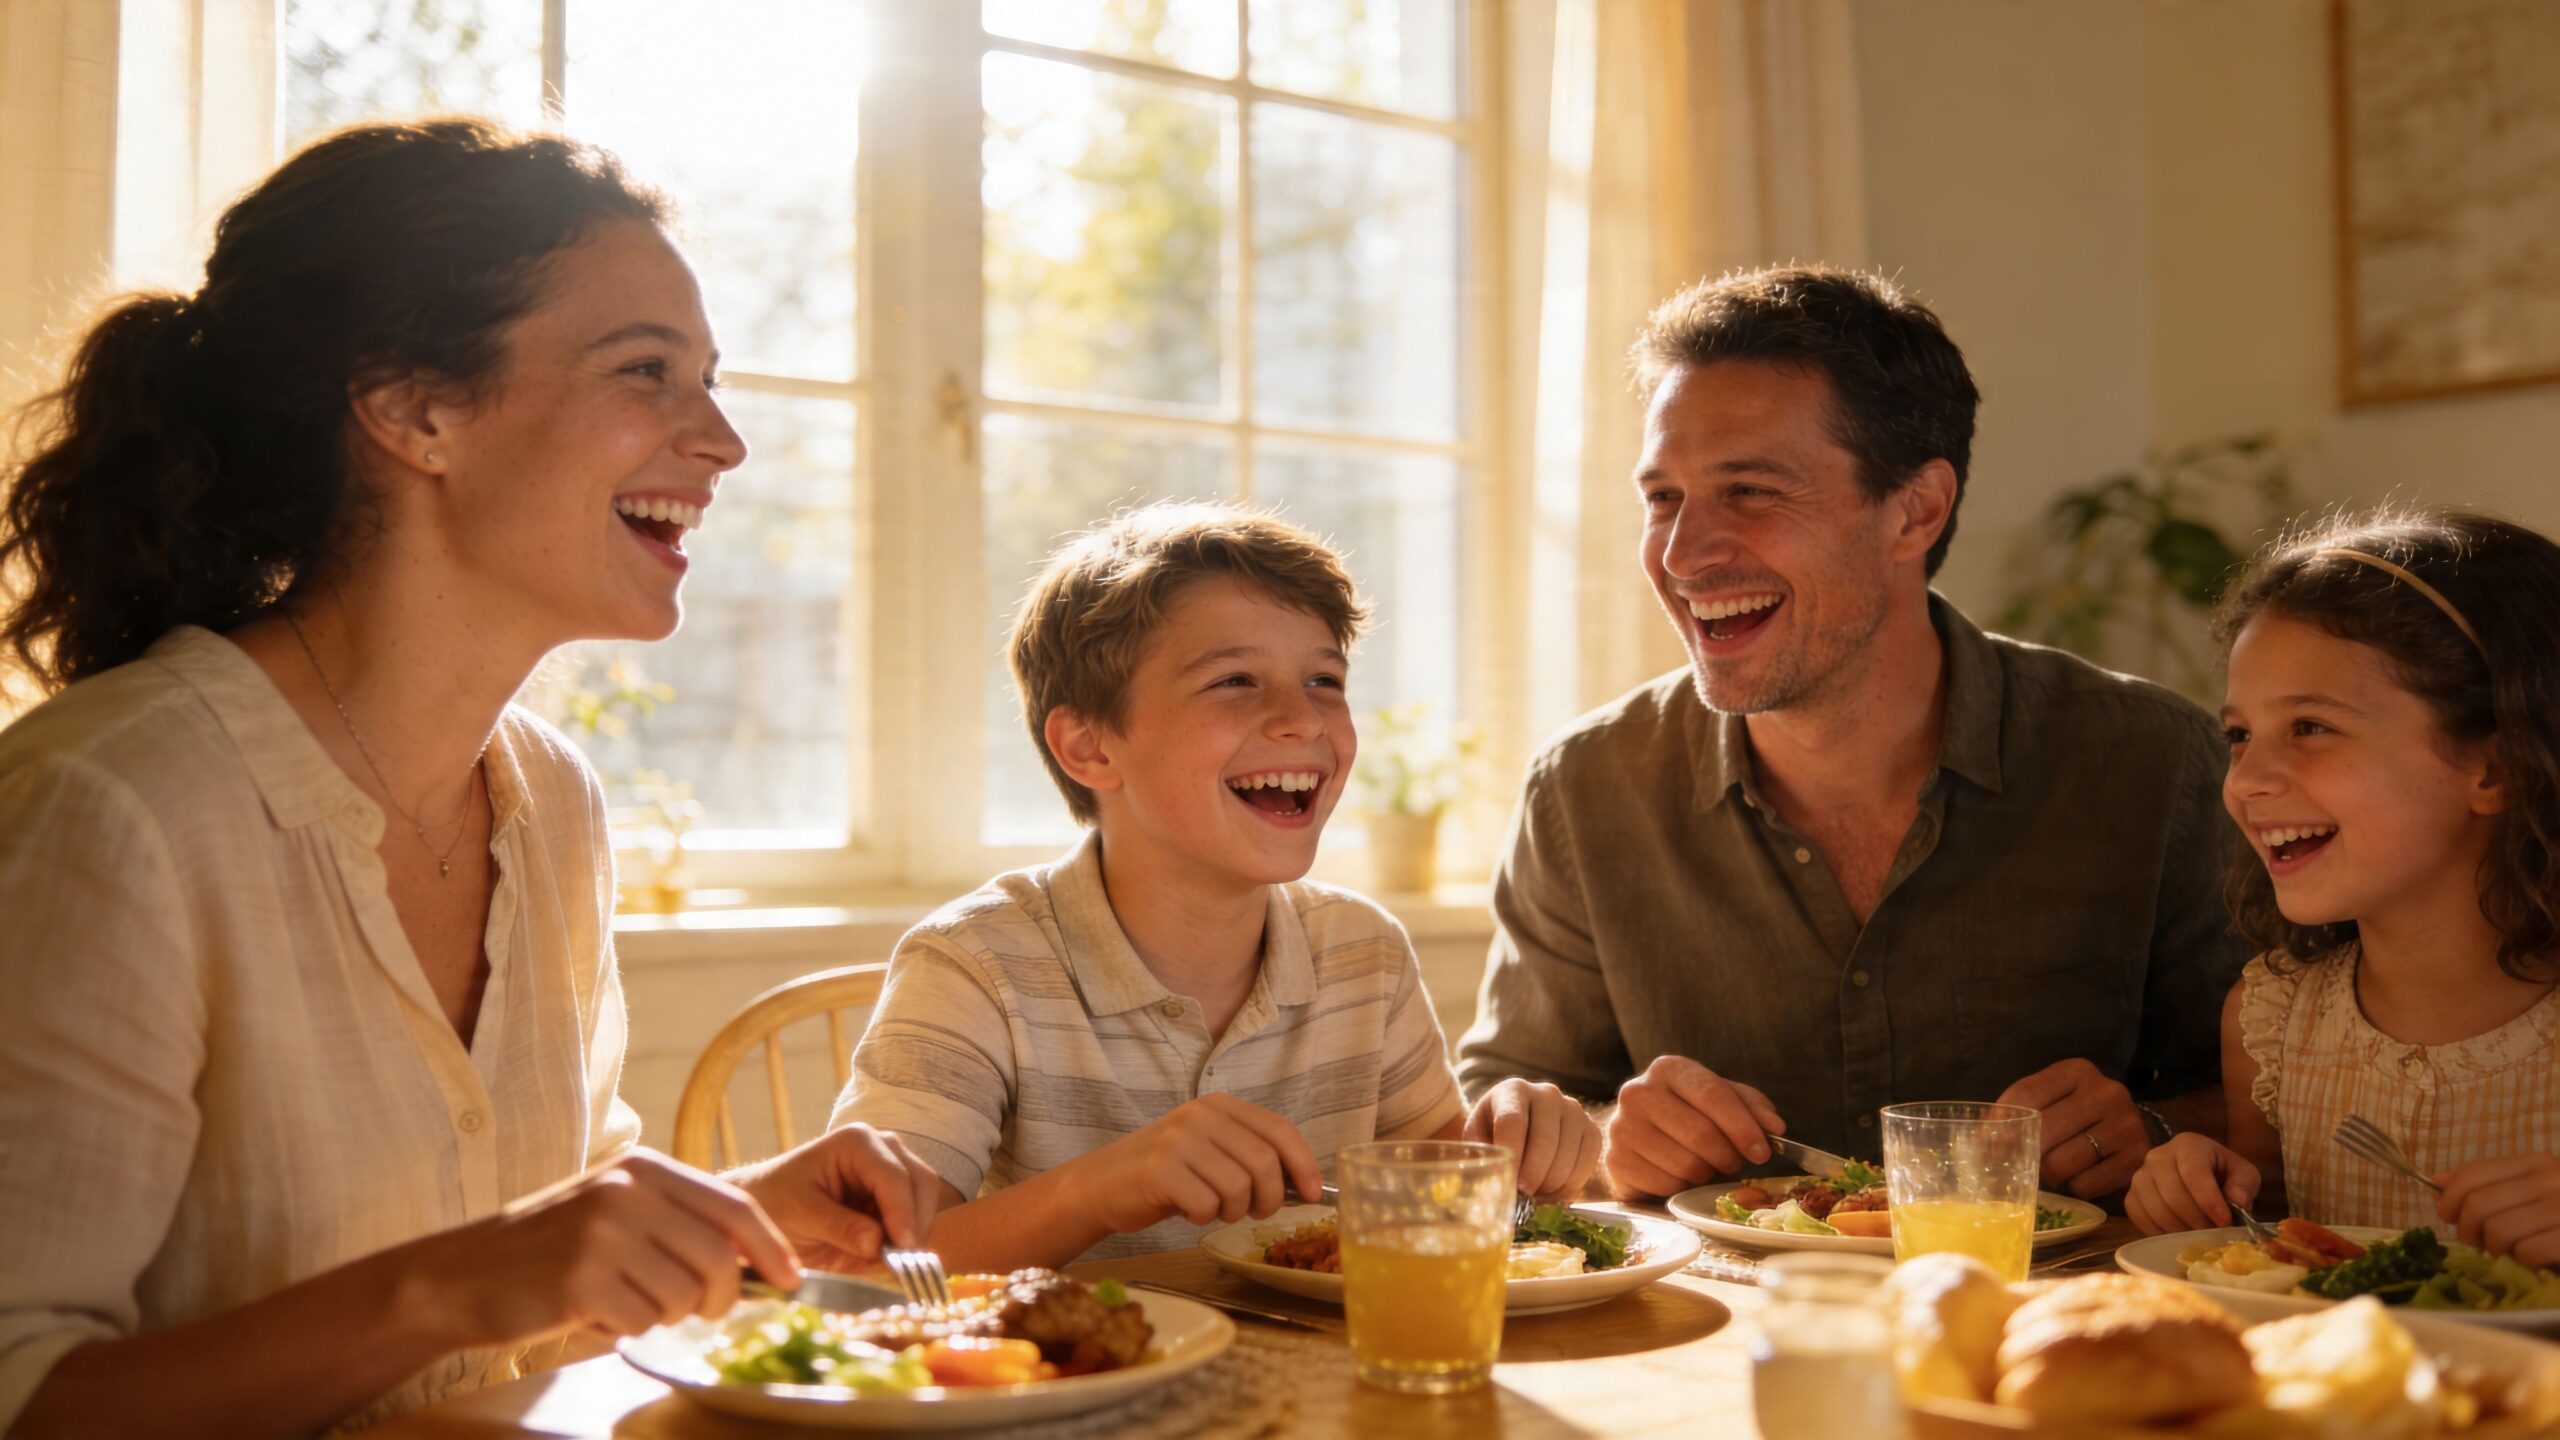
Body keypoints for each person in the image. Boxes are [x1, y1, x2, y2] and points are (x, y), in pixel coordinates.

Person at [0, 119, 938, 1438]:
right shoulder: (111, 805)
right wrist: (456, 1284)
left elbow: (558, 1237)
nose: (720, 440)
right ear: (416, 410)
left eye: (708, 379)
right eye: (647, 372)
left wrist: (731, 1216)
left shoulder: (550, 804)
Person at [1453, 265, 2252, 1202]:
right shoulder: (1585, 788)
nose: (1680, 554)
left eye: (1748, 490)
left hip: (2049, 1323)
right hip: (1715, 1336)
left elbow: (2285, 1092)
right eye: (1663, 497)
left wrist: (2152, 1129)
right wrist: (1600, 1142)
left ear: (1915, 510)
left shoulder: (2154, 763)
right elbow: (1503, 1116)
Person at [832, 504, 1598, 1271]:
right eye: (1234, 681)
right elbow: (869, 1269)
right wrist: (1099, 1189)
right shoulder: (974, 965)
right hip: (1080, 1383)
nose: (1302, 718)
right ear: (1089, 745)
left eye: (1324, 679)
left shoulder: (1361, 951)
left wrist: (1512, 1146)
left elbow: (1446, 1200)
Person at [2127, 509, 2560, 1264]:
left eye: (2310, 728)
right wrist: (2203, 1192)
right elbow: (2275, 1250)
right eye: (2239, 735)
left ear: (2496, 768)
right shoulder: (2271, 1024)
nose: (2249, 781)